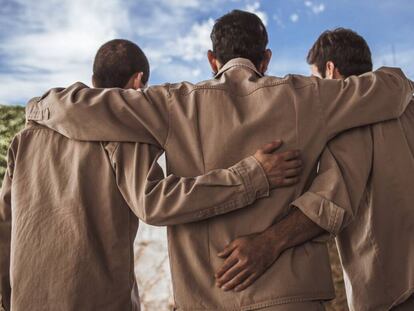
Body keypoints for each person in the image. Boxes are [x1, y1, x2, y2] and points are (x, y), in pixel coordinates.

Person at [25, 10, 413, 311]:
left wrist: (40, 106)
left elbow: (87, 105)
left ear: (212, 59)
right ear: (266, 58)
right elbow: (394, 88)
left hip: (204, 298)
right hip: (293, 298)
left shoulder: (171, 102)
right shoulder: (307, 95)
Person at [0, 38, 303, 311]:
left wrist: (9, 297)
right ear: (138, 82)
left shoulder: (25, 139)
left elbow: (5, 225)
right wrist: (253, 175)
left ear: (94, 79)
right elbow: (156, 204)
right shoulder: (122, 130)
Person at [217, 28, 414, 311]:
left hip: (398, 288)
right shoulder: (408, 106)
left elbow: (332, 202)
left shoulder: (355, 115)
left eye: (315, 78)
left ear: (330, 70)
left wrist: (268, 243)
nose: (315, 87)